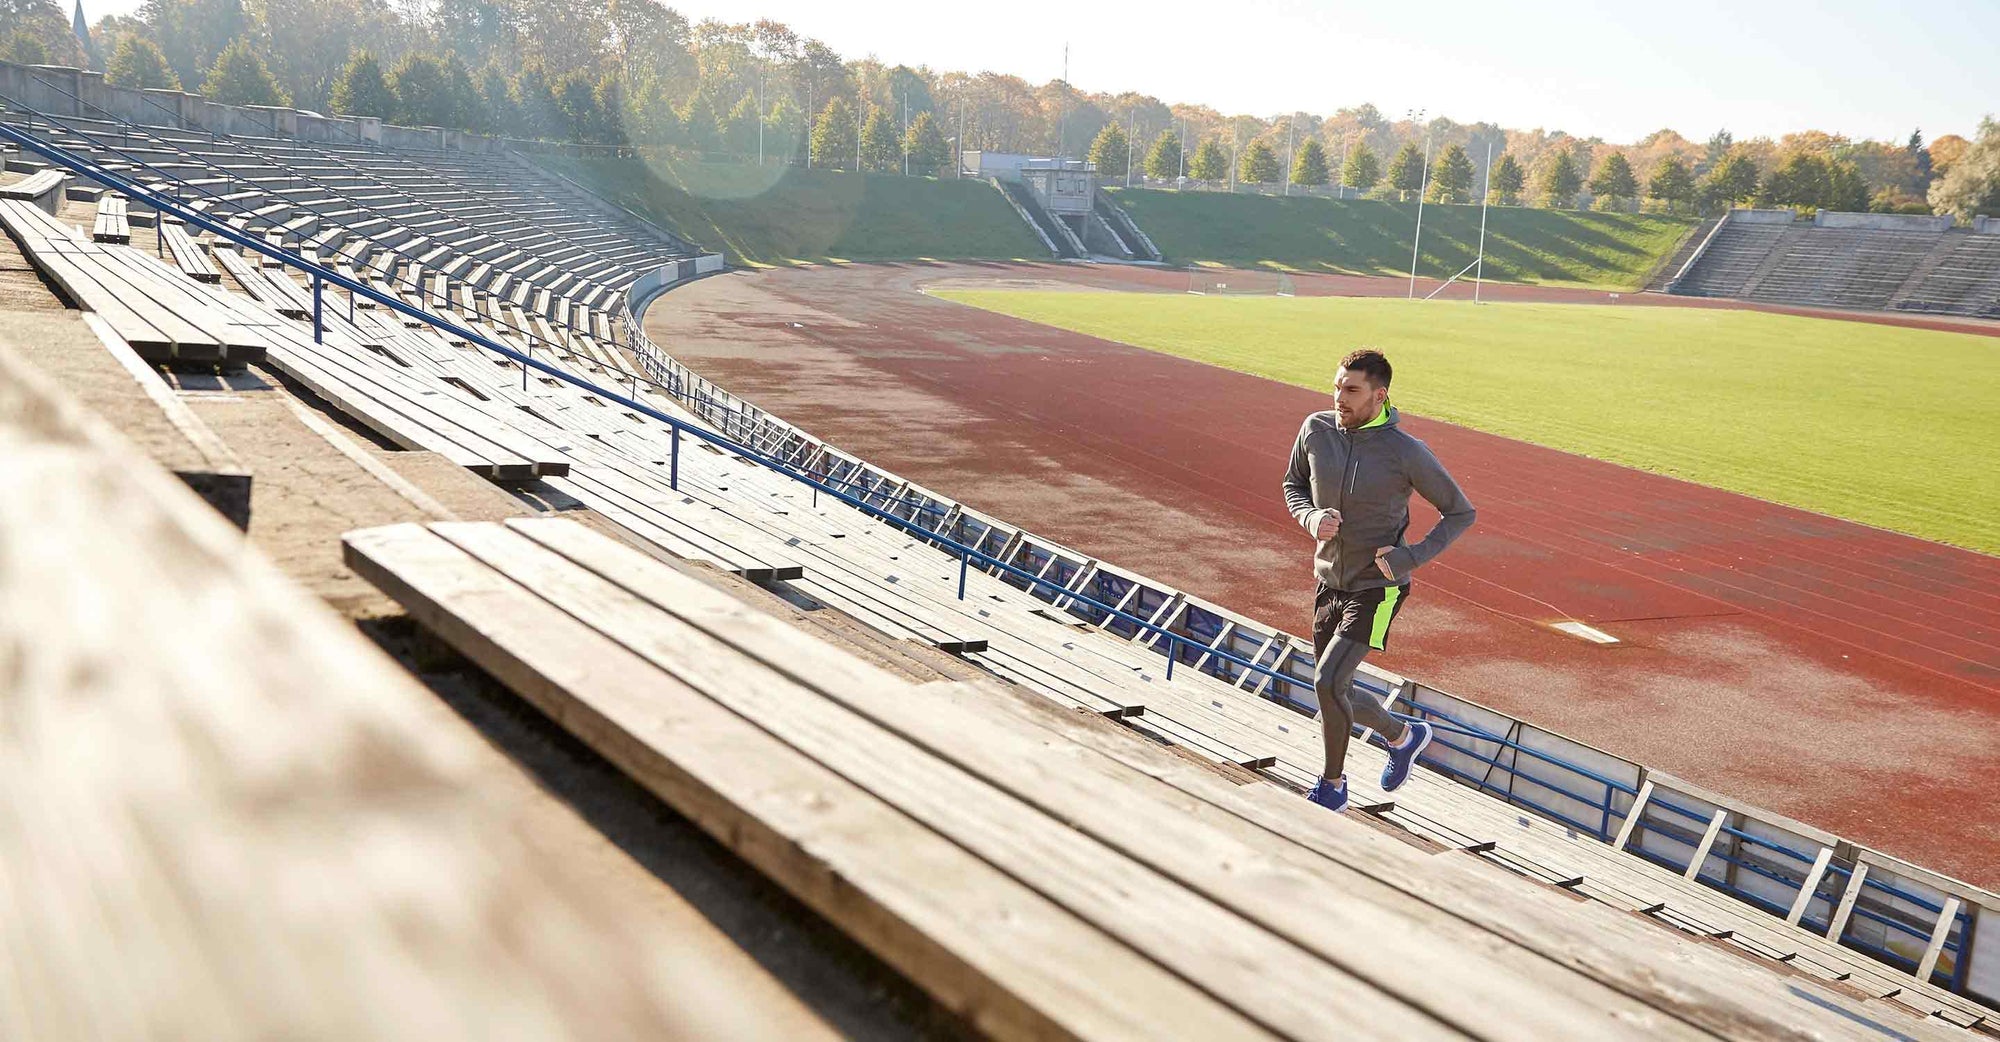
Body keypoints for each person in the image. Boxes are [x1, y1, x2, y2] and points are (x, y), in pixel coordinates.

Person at [1280, 348, 1475, 813]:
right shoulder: (1316, 429)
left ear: (1379, 395)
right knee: (1336, 689)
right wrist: (1310, 519)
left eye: (1351, 390)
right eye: (1336, 386)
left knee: (1328, 683)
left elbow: (1460, 512)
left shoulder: (1406, 452)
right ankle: (1404, 737)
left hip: (1378, 586)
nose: (1339, 398)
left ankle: (1333, 787)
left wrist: (1411, 556)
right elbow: (1293, 484)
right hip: (1328, 579)